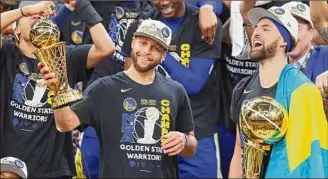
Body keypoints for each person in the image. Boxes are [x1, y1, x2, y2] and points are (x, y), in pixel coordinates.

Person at [39, 19, 197, 178]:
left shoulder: (176, 91)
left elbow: (191, 146)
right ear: (133, 42)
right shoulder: (104, 88)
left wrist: (184, 140)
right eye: (143, 43)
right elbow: (66, 124)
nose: (147, 51)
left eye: (155, 48)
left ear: (163, 55)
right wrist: (57, 91)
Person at [0, 0, 115, 178]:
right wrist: (25, 10)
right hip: (8, 166)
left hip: (53, 167)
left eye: (42, 15)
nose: (36, 16)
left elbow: (106, 47)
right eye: (30, 16)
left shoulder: (65, 55)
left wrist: (81, 5)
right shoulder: (7, 52)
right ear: (16, 29)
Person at [121, 0, 222, 177]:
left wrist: (156, 48)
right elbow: (131, 83)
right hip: (151, 138)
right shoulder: (142, 23)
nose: (164, 2)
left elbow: (193, 84)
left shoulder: (204, 23)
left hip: (196, 133)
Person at [229, 6, 328, 178]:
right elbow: (239, 150)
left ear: (284, 41)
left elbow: (314, 157)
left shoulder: (302, 90)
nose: (256, 33)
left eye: (266, 28)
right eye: (256, 28)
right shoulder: (242, 88)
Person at [282, 2, 328, 98]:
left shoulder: (325, 55)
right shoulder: (270, 62)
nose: (291, 35)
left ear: (311, 33)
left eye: (297, 28)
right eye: (287, 28)